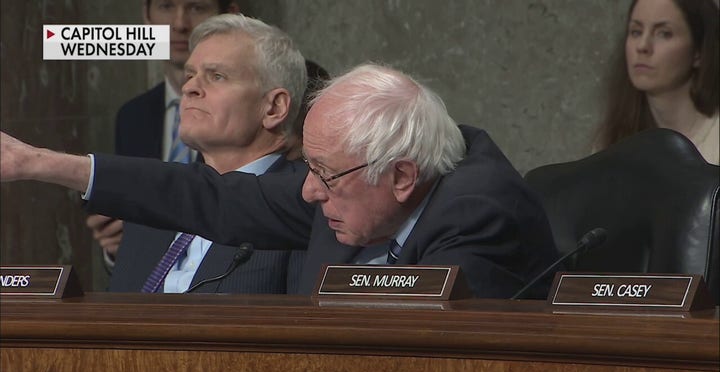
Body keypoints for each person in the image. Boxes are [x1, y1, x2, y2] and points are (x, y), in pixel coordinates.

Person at [0, 63, 559, 299]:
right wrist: (39, 163)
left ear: (403, 177)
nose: (309, 190)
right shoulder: (353, 181)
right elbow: (212, 197)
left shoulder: (479, 215)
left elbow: (427, 366)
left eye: (323, 174)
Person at [111, 13, 308, 293]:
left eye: (217, 76)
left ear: (274, 108)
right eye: (190, 75)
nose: (189, 87)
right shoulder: (153, 205)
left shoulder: (304, 206)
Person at [86, 0, 239, 266]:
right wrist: (116, 248)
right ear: (146, 15)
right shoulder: (132, 116)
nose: (180, 24)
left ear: (231, 15)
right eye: (166, 6)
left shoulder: (250, 112)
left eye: (197, 8)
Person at [595, 0, 719, 165]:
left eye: (664, 33)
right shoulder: (612, 138)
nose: (642, 46)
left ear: (698, 51)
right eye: (636, 32)